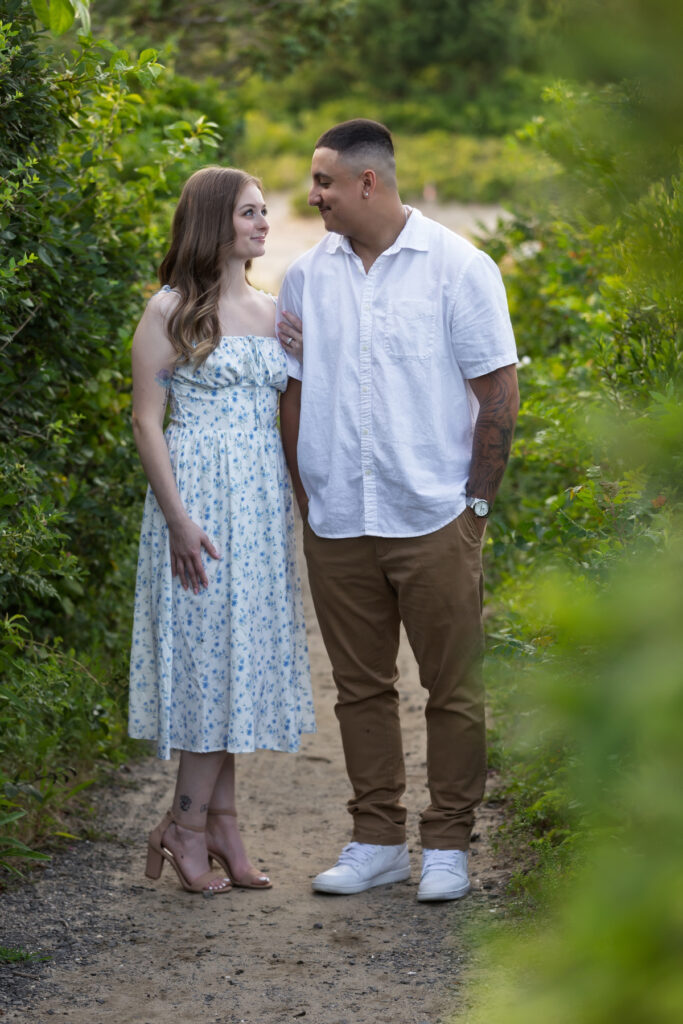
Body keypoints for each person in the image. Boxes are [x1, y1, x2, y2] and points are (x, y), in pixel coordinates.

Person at [277, 119, 519, 902]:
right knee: (359, 689)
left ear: (366, 182)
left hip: (434, 516)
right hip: (339, 520)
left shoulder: (459, 267)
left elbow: (498, 393)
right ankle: (376, 839)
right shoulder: (306, 277)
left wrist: (474, 505)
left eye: (323, 182)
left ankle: (447, 843)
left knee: (453, 689)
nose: (313, 196)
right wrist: (307, 495)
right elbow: (293, 392)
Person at [128, 166, 314, 895]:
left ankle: (222, 826)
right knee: (208, 661)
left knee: (237, 664)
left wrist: (307, 351)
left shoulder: (273, 313)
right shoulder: (169, 309)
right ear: (213, 221)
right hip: (197, 504)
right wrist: (178, 519)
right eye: (249, 212)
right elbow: (146, 421)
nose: (264, 223)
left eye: (264, 211)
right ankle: (184, 825)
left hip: (259, 508)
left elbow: (300, 402)